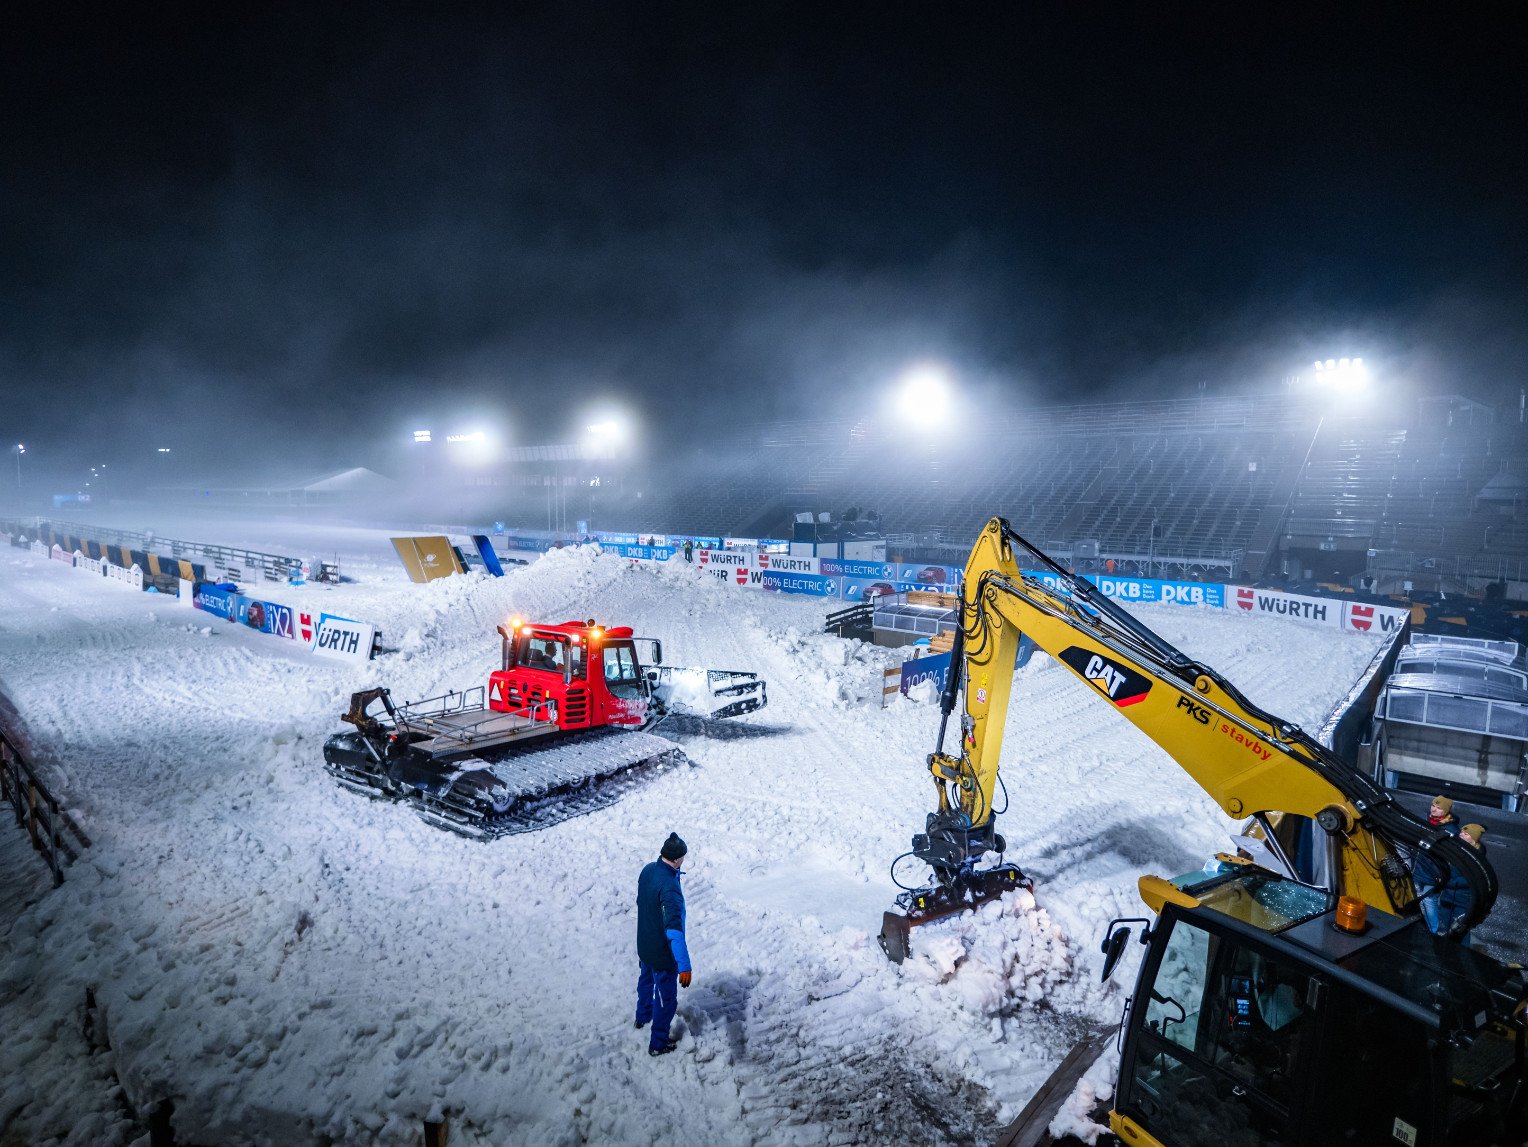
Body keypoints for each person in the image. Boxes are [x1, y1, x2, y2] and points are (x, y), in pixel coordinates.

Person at [635, 833, 692, 1056]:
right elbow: (674, 932)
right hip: (661, 954)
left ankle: (642, 1018)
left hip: (644, 945)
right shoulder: (670, 888)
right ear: (677, 859)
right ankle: (658, 1044)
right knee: (666, 1000)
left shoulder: (648, 870)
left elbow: (642, 903)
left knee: (645, 983)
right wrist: (684, 966)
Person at [1413, 795, 1460, 934]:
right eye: (1433, 805)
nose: (1434, 809)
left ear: (1446, 811)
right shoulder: (1427, 821)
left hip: (1432, 875)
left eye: (1439, 808)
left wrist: (1440, 874)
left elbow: (1449, 858)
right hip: (1419, 871)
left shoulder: (1450, 831)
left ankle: (1432, 933)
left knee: (1429, 904)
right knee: (1421, 903)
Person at [1438, 823, 1488, 946]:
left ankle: (1462, 955)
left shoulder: (1477, 857)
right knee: (1445, 925)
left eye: (1465, 834)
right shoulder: (1457, 849)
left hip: (1462, 901)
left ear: (1473, 839)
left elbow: (1469, 879)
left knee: (1460, 932)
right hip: (1447, 896)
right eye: (1461, 832)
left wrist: (1447, 882)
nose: (1461, 834)